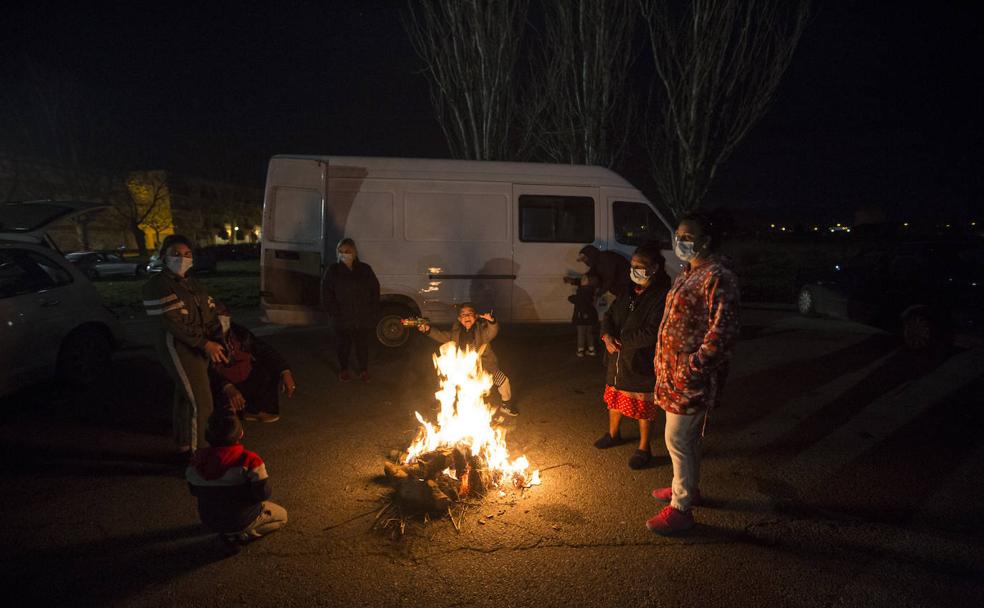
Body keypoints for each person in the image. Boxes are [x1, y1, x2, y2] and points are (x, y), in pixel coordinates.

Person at [646, 211, 740, 535]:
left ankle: (681, 509)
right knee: (687, 440)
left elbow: (722, 331)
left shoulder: (718, 276)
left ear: (706, 241)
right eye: (678, 236)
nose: (679, 242)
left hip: (691, 376)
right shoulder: (688, 272)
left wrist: (695, 365)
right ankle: (686, 487)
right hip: (676, 373)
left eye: (687, 237)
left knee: (677, 439)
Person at [143, 234, 225, 463]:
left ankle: (183, 445)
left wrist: (216, 336)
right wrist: (205, 343)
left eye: (187, 254)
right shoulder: (157, 285)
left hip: (198, 345)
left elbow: (209, 312)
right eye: (175, 254)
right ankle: (201, 456)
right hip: (177, 346)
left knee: (184, 395)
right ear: (163, 257)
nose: (182, 258)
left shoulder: (194, 283)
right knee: (201, 400)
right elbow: (173, 323)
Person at [594, 244, 671, 469]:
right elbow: (609, 314)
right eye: (632, 265)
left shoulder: (662, 295)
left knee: (643, 406)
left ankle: (644, 448)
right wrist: (606, 335)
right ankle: (613, 434)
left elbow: (653, 330)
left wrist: (621, 342)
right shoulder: (628, 290)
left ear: (654, 268)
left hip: (640, 361)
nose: (634, 270)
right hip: (616, 360)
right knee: (615, 398)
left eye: (640, 266)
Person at [186, 411, 288, 546]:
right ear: (241, 433)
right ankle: (241, 536)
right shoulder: (249, 460)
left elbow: (194, 491)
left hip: (208, 519)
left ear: (207, 436)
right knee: (282, 516)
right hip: (241, 519)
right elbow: (263, 493)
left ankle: (224, 530)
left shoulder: (195, 462)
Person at [416, 303, 516, 416]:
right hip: (462, 368)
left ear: (476, 317)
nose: (467, 317)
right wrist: (427, 329)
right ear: (459, 319)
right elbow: (440, 336)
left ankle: (506, 406)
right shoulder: (456, 333)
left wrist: (491, 322)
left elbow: (492, 331)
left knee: (503, 381)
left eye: (470, 314)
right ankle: (444, 403)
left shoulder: (482, 331)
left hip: (485, 366)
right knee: (448, 382)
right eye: (463, 314)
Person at [209, 306, 297, 423]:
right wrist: (227, 387)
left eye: (225, 312)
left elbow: (263, 349)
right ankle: (227, 414)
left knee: (268, 368)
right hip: (222, 385)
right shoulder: (207, 341)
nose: (223, 316)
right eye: (218, 314)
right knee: (226, 425)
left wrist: (285, 371)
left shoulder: (238, 332)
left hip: (246, 378)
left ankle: (253, 410)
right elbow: (206, 370)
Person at [323, 238, 380, 382]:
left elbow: (374, 289)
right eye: (340, 252)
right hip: (342, 317)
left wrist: (372, 310)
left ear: (354, 252)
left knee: (362, 346)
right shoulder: (333, 271)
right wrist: (334, 313)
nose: (344, 254)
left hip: (362, 316)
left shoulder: (365, 269)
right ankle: (344, 369)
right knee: (343, 346)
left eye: (347, 251)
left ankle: (363, 370)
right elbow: (326, 293)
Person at [568, 274, 599, 357]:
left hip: (581, 316)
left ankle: (580, 350)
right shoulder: (592, 291)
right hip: (591, 317)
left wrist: (571, 297)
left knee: (581, 333)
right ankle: (591, 349)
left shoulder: (581, 292)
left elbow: (575, 299)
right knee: (589, 333)